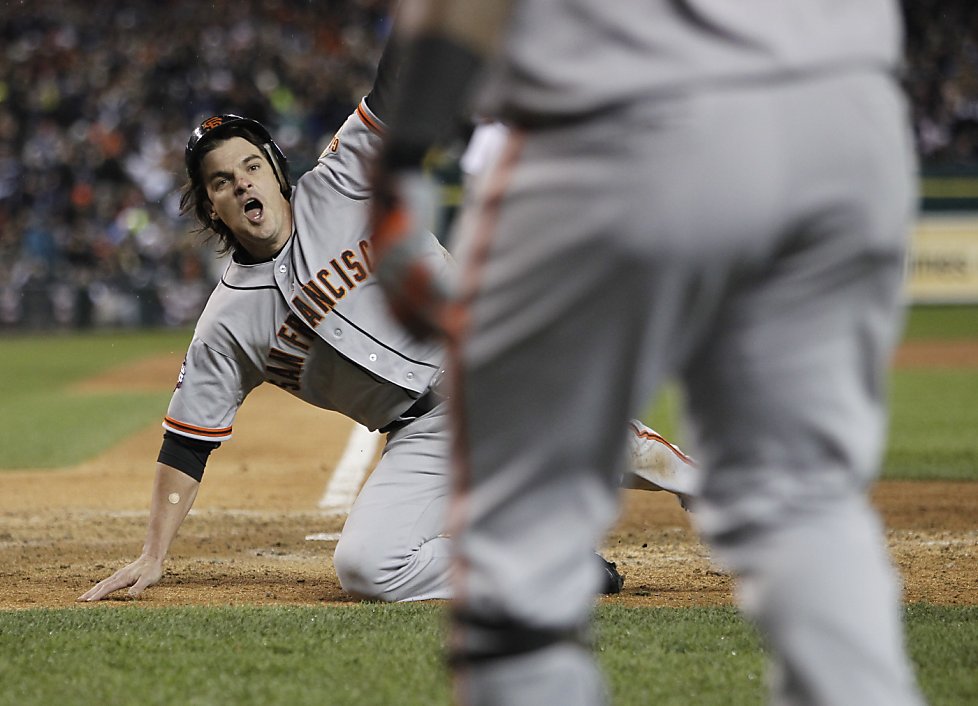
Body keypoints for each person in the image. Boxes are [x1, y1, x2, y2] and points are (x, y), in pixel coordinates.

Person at [370, 1, 926, 704]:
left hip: (624, 99)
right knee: (804, 503)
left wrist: (404, 154)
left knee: (521, 537)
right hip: (849, 111)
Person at [77, 37, 697, 605]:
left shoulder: (343, 182)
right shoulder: (227, 324)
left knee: (653, 464)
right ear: (210, 206)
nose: (240, 184)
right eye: (220, 182)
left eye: (250, 167)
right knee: (369, 568)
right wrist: (153, 553)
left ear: (275, 169)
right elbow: (187, 442)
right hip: (423, 435)